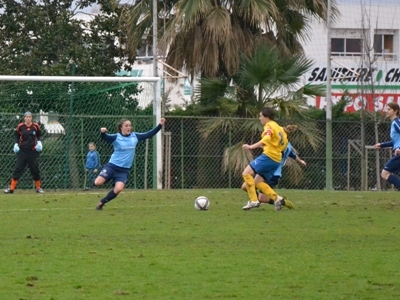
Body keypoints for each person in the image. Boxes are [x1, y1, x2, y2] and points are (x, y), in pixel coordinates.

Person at [95, 118, 166, 210]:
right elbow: (104, 137)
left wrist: (160, 125)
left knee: (118, 189)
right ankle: (107, 178)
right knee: (97, 183)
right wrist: (103, 132)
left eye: (130, 125)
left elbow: (149, 134)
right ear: (121, 127)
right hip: (112, 166)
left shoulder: (134, 136)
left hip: (124, 170)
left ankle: (102, 202)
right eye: (126, 126)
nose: (129, 127)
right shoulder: (116, 137)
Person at [241, 107, 293, 210]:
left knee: (246, 173)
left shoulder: (269, 126)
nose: (260, 118)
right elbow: (283, 145)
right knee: (257, 183)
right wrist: (269, 147)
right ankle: (278, 199)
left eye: (261, 116)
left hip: (269, 157)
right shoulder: (278, 127)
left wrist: (251, 146)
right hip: (276, 159)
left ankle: (254, 201)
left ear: (267, 117)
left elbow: (267, 138)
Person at [240, 141, 306, 209]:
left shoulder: (281, 142)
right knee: (245, 186)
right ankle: (256, 200)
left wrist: (253, 146)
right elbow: (292, 154)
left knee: (262, 198)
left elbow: (289, 153)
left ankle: (282, 201)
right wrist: (300, 161)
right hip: (266, 169)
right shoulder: (284, 143)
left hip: (273, 173)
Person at [4, 111, 44, 194]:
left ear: (31, 118)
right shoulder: (20, 126)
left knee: (34, 169)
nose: (28, 118)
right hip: (22, 151)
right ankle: (11, 188)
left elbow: (39, 135)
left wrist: (39, 142)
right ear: (24, 118)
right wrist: (16, 144)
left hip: (33, 151)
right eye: (27, 117)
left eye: (30, 117)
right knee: (18, 168)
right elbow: (17, 135)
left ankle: (38, 187)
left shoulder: (35, 126)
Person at [373, 102, 400, 189]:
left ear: (395, 111)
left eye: (389, 109)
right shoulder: (394, 123)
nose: (386, 111)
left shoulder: (396, 122)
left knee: (385, 174)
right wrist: (382, 145)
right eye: (386, 109)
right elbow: (395, 141)